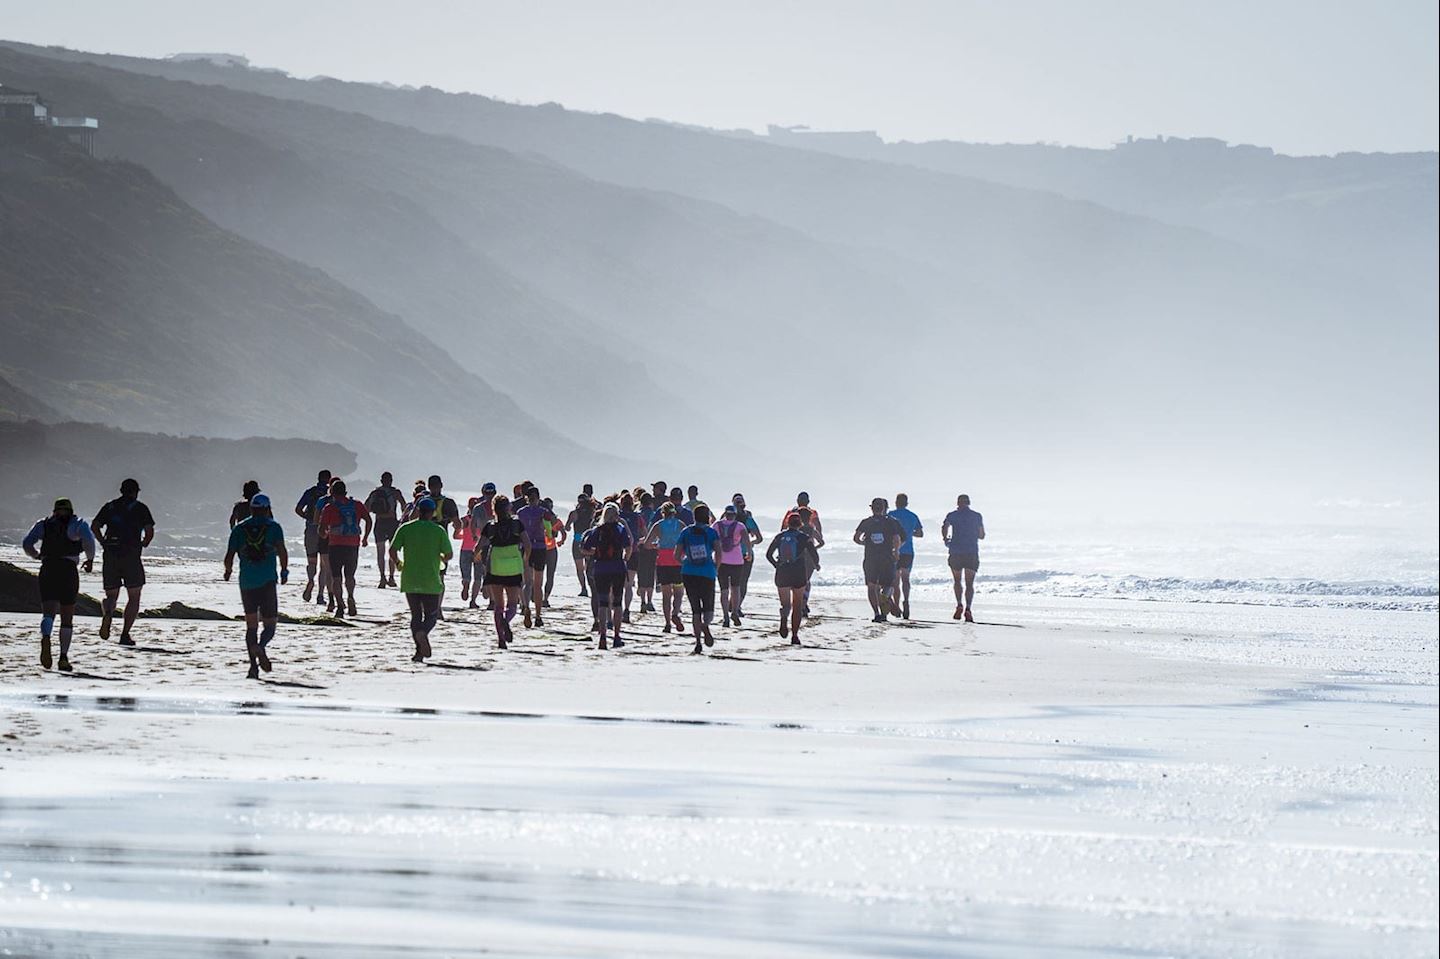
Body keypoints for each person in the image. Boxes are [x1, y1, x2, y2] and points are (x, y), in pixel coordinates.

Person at [22, 497, 96, 672]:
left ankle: (46, 636)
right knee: (67, 616)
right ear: (71, 510)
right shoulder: (78, 524)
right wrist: (90, 560)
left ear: (54, 510)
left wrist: (36, 555)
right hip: (68, 570)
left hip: (48, 568)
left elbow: (26, 543)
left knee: (48, 612)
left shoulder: (44, 524)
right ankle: (63, 657)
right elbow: (89, 542)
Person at [223, 494, 289, 680]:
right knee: (270, 626)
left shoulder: (239, 528)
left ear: (251, 509)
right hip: (267, 581)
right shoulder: (274, 527)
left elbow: (229, 556)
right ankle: (261, 646)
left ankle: (253, 668)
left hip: (246, 582)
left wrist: (228, 572)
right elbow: (282, 551)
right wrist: (284, 571)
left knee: (251, 626)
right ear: (268, 509)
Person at [91, 478, 156, 647]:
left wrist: (102, 542)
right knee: (134, 596)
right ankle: (125, 634)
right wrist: (144, 543)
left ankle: (108, 612)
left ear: (121, 490)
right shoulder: (141, 508)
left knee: (111, 595)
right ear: (135, 492)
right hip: (131, 554)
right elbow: (149, 531)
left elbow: (95, 525)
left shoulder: (110, 507)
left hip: (111, 553)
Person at [389, 498, 452, 662]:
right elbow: (449, 554)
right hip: (430, 579)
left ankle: (418, 652)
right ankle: (422, 633)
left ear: (418, 511)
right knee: (431, 616)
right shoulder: (438, 530)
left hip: (410, 578)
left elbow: (392, 550)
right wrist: (440, 558)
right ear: (432, 513)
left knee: (415, 615)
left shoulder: (406, 528)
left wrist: (398, 563)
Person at [478, 494, 530, 649]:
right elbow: (527, 545)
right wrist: (525, 560)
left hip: (495, 565)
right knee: (513, 604)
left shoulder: (490, 526)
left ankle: (501, 639)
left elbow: (478, 547)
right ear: (508, 508)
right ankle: (506, 622)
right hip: (513, 564)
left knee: (498, 605)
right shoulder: (516, 524)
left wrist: (477, 559)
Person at [580, 502, 634, 650]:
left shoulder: (597, 530)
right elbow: (629, 547)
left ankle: (602, 636)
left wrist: (596, 553)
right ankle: (616, 636)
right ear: (616, 515)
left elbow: (584, 549)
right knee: (617, 603)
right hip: (617, 567)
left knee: (602, 603)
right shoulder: (620, 529)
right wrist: (625, 558)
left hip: (600, 568)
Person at [318, 479, 372, 618]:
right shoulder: (357, 505)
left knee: (336, 577)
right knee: (350, 576)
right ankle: (351, 597)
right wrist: (365, 537)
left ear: (332, 492)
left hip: (335, 545)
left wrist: (324, 535)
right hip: (353, 545)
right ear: (345, 491)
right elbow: (369, 520)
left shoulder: (329, 508)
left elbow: (321, 529)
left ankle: (340, 605)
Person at [675, 504, 722, 654]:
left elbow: (677, 555)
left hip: (689, 572)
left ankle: (697, 642)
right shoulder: (711, 532)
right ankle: (705, 625)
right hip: (707, 572)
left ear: (694, 517)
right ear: (707, 517)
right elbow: (719, 553)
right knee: (708, 607)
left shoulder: (686, 532)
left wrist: (686, 563)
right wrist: (716, 566)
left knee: (695, 609)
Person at [766, 513, 818, 645]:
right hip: (798, 573)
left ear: (787, 523)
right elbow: (814, 554)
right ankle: (794, 635)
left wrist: (776, 565)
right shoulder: (804, 537)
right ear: (800, 524)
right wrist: (816, 565)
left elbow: (768, 554)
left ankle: (784, 617)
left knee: (786, 604)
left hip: (782, 572)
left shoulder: (780, 537)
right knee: (797, 605)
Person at [854, 497, 904, 623]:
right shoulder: (891, 522)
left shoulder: (866, 522)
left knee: (871, 586)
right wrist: (896, 550)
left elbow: (856, 538)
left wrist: (864, 543)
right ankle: (884, 606)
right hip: (886, 557)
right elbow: (898, 538)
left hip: (870, 558)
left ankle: (876, 613)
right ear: (884, 508)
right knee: (888, 584)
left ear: (871, 508)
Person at [515, 487, 559, 628]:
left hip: (525, 547)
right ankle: (538, 616)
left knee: (527, 582)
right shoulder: (543, 512)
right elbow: (554, 521)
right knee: (538, 585)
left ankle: (526, 607)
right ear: (538, 498)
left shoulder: (521, 512)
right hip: (540, 547)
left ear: (527, 498)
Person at [643, 502, 688, 633]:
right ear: (674, 512)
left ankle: (667, 623)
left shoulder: (658, 525)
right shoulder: (680, 524)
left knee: (666, 595)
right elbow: (687, 541)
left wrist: (656, 546)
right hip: (678, 560)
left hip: (663, 560)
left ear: (663, 512)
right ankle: (675, 613)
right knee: (679, 592)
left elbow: (646, 544)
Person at [942, 494, 986, 622]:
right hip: (971, 551)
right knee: (969, 583)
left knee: (957, 580)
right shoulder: (977, 516)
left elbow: (945, 527)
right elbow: (982, 535)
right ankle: (968, 609)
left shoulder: (952, 515)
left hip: (956, 551)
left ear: (958, 503)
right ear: (969, 503)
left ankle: (959, 604)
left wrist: (946, 539)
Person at [425, 474, 461, 617]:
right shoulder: (448, 503)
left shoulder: (423, 501)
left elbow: (411, 519)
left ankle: (428, 607)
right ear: (441, 485)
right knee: (440, 577)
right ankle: (437, 608)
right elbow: (458, 524)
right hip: (441, 543)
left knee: (426, 576)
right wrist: (456, 531)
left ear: (429, 487)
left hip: (424, 543)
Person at [295, 469, 332, 605]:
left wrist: (308, 518)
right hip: (326, 531)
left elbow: (298, 509)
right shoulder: (329, 495)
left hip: (311, 528)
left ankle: (310, 580)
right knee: (324, 565)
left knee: (312, 561)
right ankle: (320, 595)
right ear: (329, 479)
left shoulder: (309, 492)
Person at [364, 472, 408, 588]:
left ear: (381, 480)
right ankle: (391, 577)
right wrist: (403, 520)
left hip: (379, 523)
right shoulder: (395, 492)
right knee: (392, 550)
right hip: (392, 522)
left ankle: (382, 577)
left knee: (380, 552)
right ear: (391, 480)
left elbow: (366, 508)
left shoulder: (375, 493)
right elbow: (404, 507)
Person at [888, 493, 925, 620]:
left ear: (896, 502)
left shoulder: (890, 515)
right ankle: (906, 601)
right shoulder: (912, 516)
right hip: (908, 550)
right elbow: (920, 533)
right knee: (906, 579)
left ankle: (897, 606)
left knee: (895, 581)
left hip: (893, 550)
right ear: (907, 503)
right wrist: (910, 533)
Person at [713, 504, 750, 627]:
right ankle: (734, 611)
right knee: (736, 588)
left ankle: (725, 617)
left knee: (724, 590)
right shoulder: (740, 526)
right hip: (737, 561)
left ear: (725, 513)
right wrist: (749, 553)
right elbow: (746, 541)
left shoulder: (717, 525)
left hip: (721, 561)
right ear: (734, 515)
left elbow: (710, 539)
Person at [730, 493, 764, 618]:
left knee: (733, 583)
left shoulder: (727, 517)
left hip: (729, 554)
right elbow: (759, 538)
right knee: (742, 582)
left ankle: (734, 604)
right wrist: (750, 543)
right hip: (745, 553)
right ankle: (736, 606)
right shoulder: (748, 518)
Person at [616, 492, 646, 623]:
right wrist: (637, 542)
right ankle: (626, 610)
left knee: (616, 584)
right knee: (629, 584)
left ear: (621, 503)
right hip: (633, 552)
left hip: (617, 553)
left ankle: (615, 609)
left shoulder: (617, 516)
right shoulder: (637, 517)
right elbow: (645, 534)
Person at [565, 493, 597, 597]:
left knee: (579, 568)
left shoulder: (574, 513)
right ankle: (591, 586)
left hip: (578, 539)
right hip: (589, 539)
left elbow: (567, 527)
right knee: (588, 566)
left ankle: (583, 588)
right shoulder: (593, 512)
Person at [635, 491, 660, 614]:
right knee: (650, 574)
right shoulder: (655, 515)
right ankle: (650, 601)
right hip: (652, 547)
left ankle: (643, 601)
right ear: (651, 503)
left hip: (639, 546)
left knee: (641, 573)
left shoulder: (637, 515)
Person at [541, 496, 565, 606]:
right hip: (551, 550)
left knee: (537, 574)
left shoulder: (539, 519)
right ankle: (545, 598)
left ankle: (537, 594)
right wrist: (561, 542)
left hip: (539, 549)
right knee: (550, 575)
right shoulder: (555, 519)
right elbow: (563, 533)